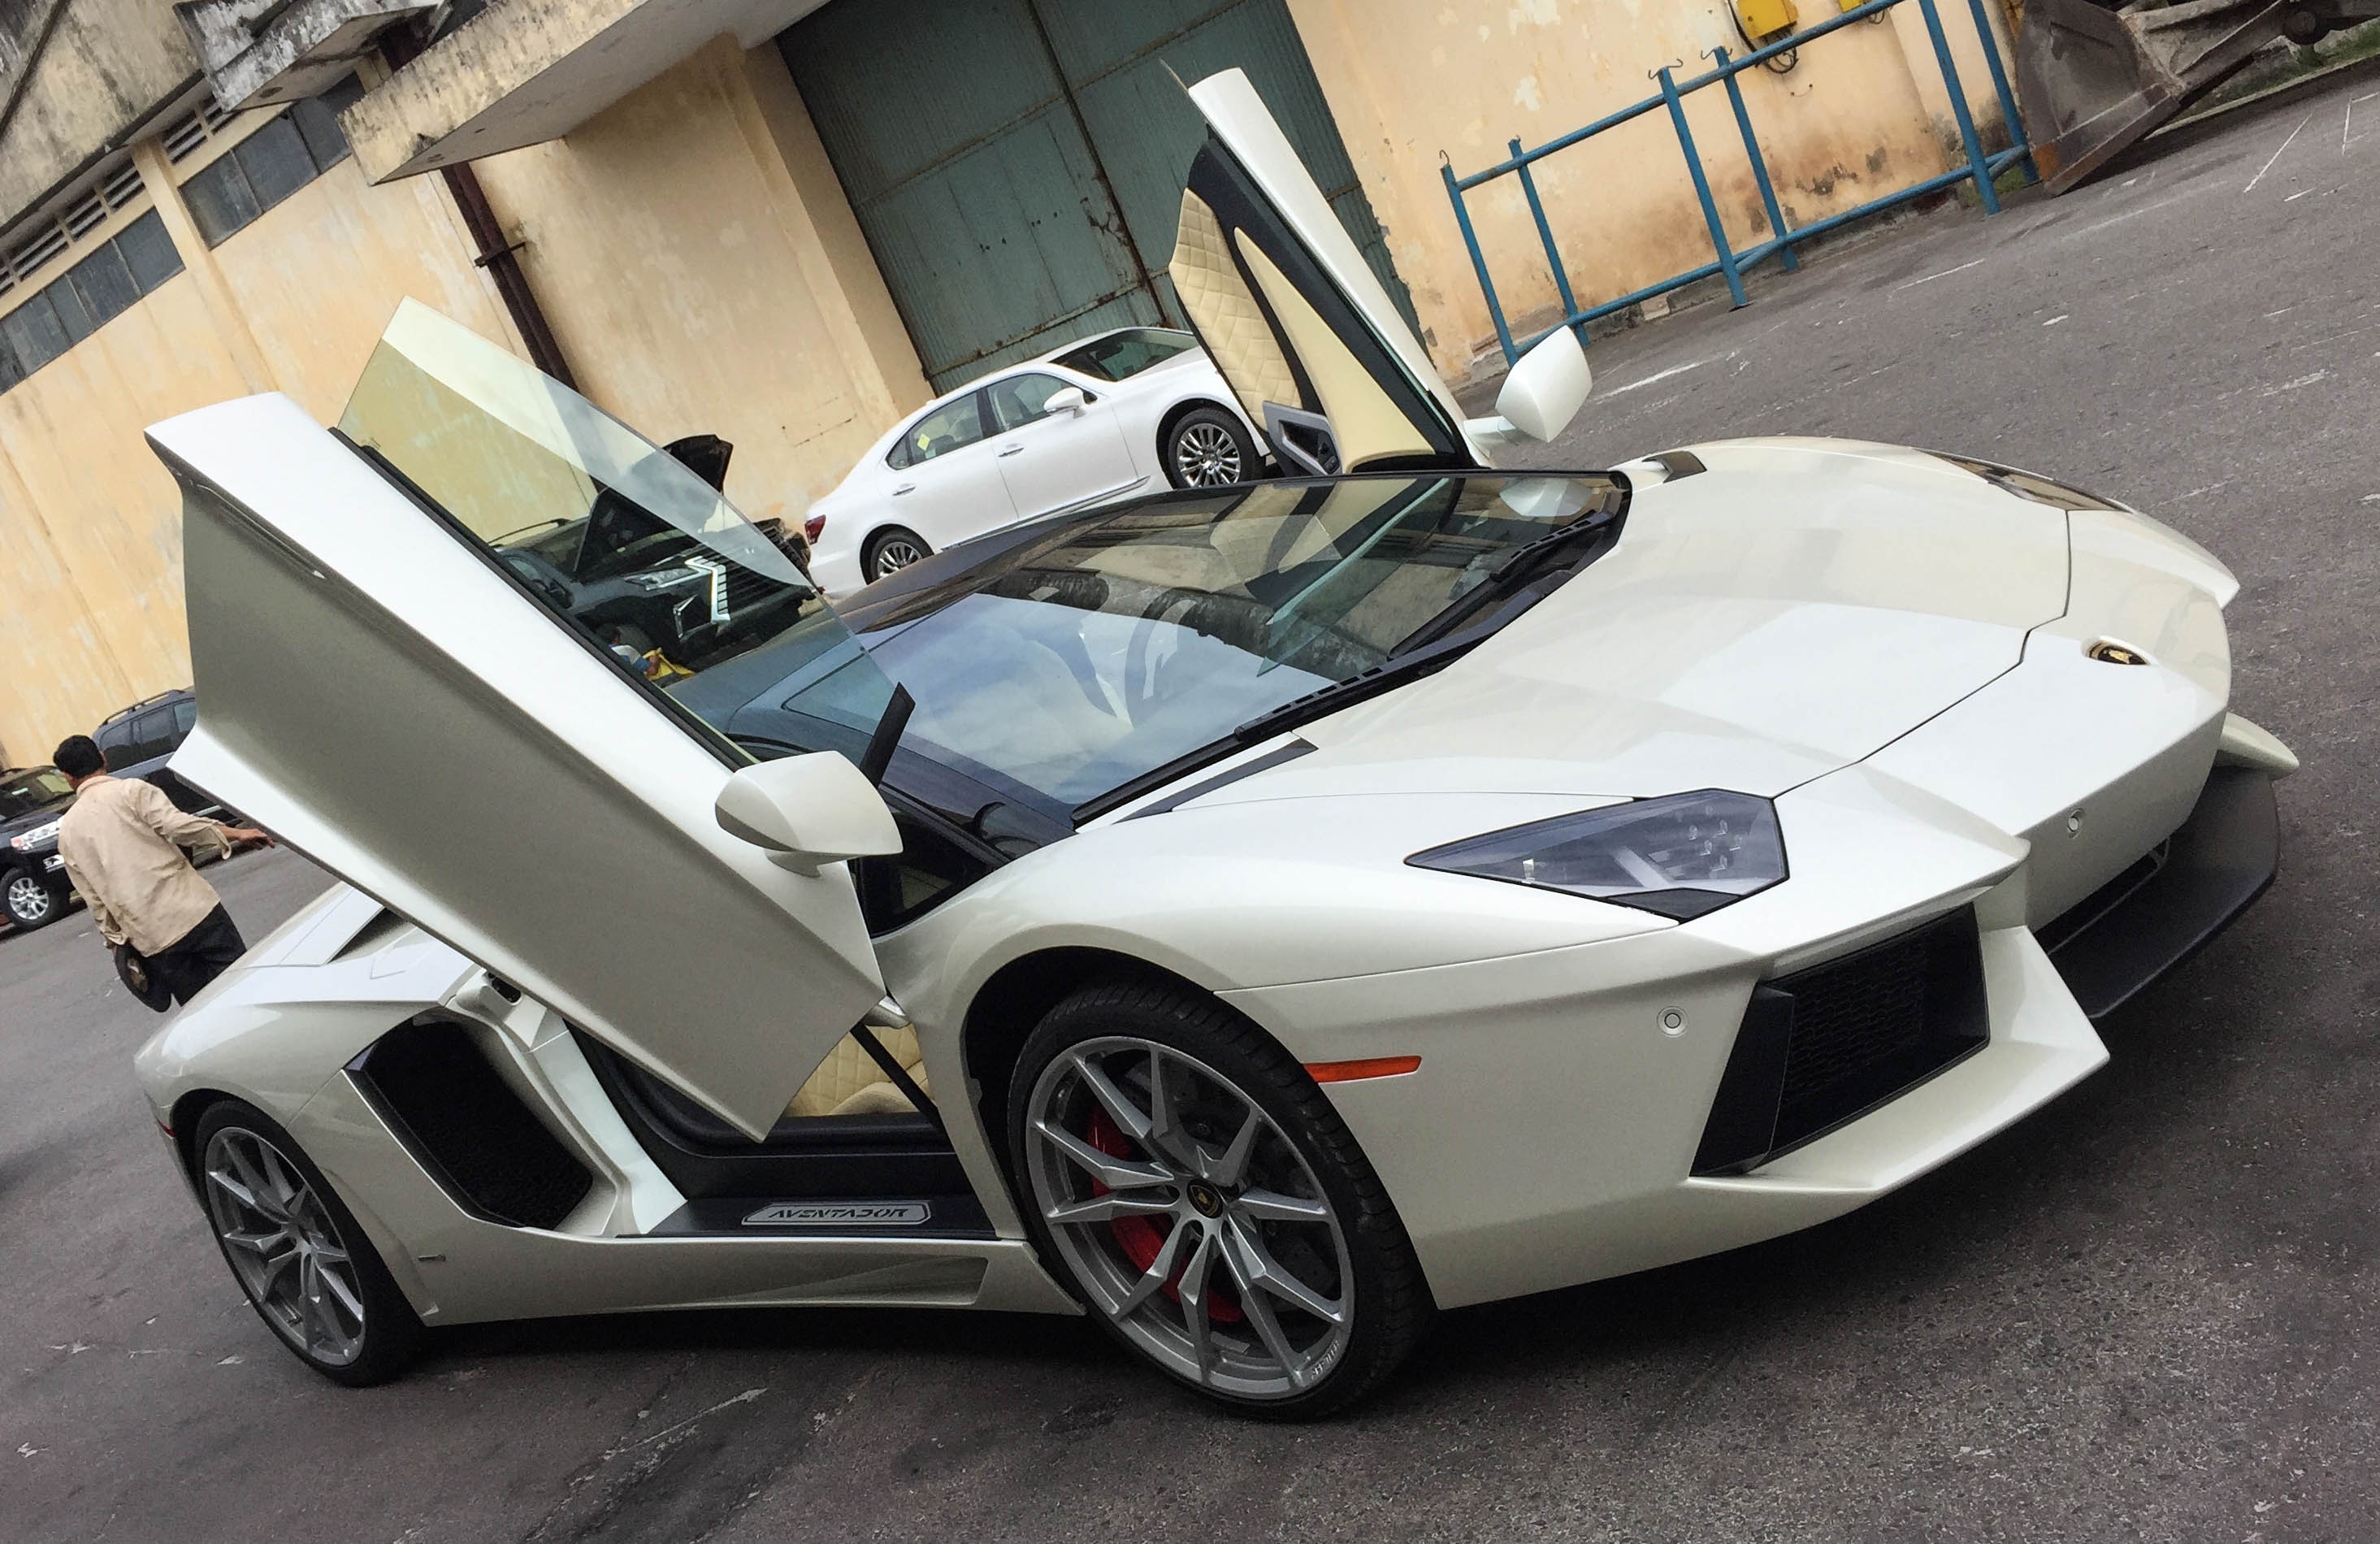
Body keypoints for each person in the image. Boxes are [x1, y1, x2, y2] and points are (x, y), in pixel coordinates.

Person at [51, 734, 270, 1005]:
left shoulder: (68, 833)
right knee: (247, 989)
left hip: (153, 937)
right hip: (196, 911)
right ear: (103, 758)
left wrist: (118, 943)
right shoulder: (132, 791)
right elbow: (177, 826)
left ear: (68, 777)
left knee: (201, 1012)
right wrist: (234, 834)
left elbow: (95, 900)